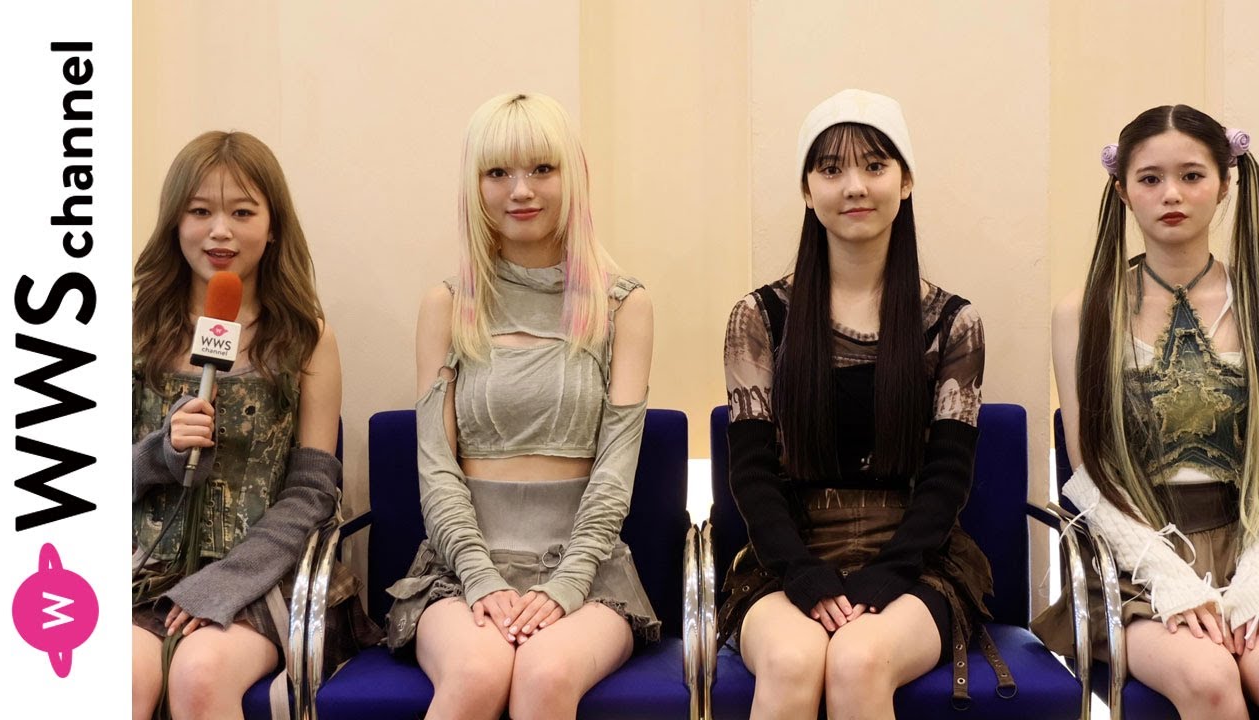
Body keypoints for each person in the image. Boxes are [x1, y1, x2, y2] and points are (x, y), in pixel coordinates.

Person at [719, 89, 1007, 718]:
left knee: (858, 658)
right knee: (792, 661)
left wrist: (892, 571)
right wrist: (801, 571)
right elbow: (752, 473)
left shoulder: (953, 323)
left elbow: (948, 476)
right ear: (807, 190)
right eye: (831, 169)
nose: (855, 186)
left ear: (905, 182)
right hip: (786, 558)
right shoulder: (758, 317)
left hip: (919, 561)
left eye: (875, 166)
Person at [383, 92, 659, 720]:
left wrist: (568, 584)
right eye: (498, 172)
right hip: (460, 568)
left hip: (589, 569)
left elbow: (616, 471)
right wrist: (479, 575)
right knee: (477, 673)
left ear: (572, 174)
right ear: (474, 185)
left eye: (541, 169)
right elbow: (436, 465)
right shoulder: (446, 305)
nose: (521, 191)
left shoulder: (624, 305)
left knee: (545, 672)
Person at [131, 131, 370, 719]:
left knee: (199, 672)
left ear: (273, 226)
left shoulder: (308, 337)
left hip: (267, 575)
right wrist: (159, 454)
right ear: (175, 222)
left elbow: (313, 493)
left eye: (242, 212)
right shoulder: (132, 328)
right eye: (200, 212)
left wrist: (229, 581)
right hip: (145, 572)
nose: (221, 231)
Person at [1034, 105, 1259, 719]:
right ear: (1122, 191)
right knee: (1210, 677)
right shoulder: (1083, 313)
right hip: (1131, 560)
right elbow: (1087, 471)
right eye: (1150, 178)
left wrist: (1251, 581)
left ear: (1225, 183)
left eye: (1192, 175)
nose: (1172, 194)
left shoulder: (1254, 301)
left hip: (1248, 543)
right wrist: (1167, 576)